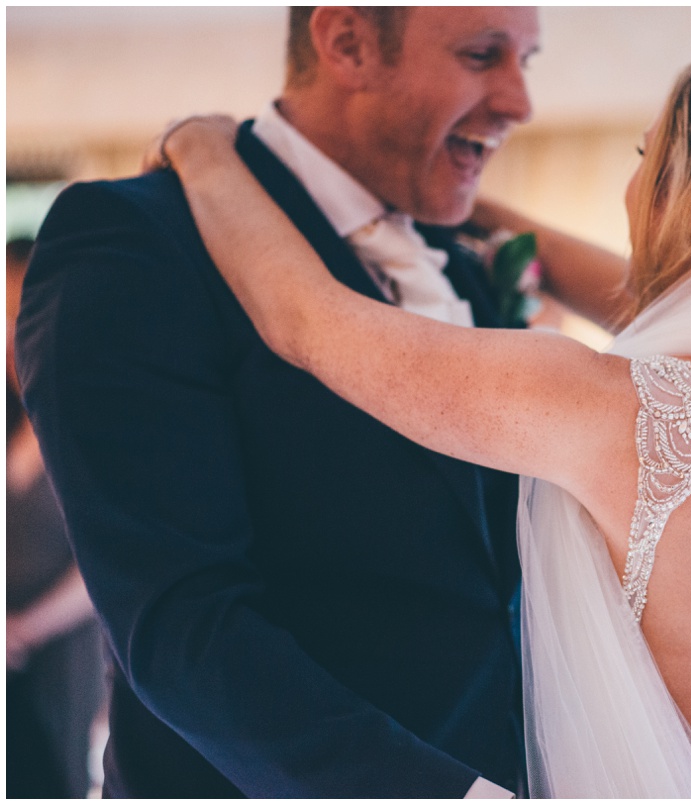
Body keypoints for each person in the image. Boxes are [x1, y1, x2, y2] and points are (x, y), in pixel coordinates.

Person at [153, 16, 691, 797]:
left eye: (649, 157)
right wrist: (471, 210)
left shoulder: (620, 411)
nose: (633, 186)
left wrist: (202, 147)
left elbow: (307, 322)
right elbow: (680, 305)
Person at [15, 8, 553, 798]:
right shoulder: (137, 243)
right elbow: (183, 628)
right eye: (482, 55)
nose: (519, 100)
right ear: (347, 42)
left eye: (526, 60)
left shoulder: (463, 267)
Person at [7, 238, 106, 798]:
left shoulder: (88, 418)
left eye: (18, 310)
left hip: (63, 650)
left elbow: (107, 558)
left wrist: (21, 628)